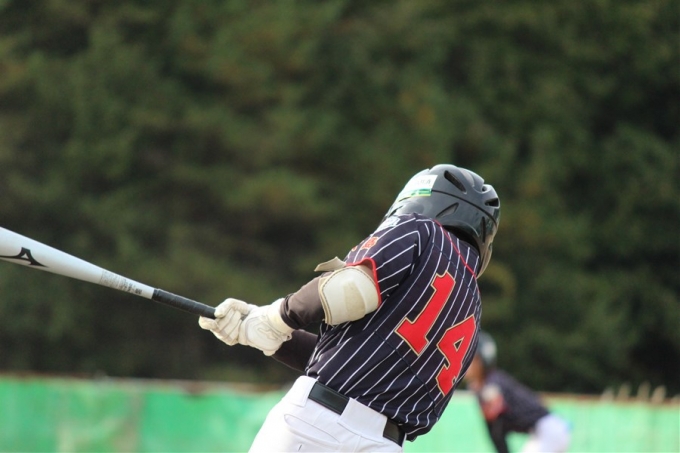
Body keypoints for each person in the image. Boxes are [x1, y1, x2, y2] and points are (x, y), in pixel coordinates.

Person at [199, 164, 501, 452]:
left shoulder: (422, 231)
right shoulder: (473, 307)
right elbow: (359, 364)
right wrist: (268, 335)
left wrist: (276, 317)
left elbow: (352, 290)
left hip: (315, 422)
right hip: (385, 444)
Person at [464, 331, 572, 453]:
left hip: (549, 431)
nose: (464, 363)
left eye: (471, 358)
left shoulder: (493, 383)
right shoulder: (484, 386)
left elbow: (495, 419)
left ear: (483, 359)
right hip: (544, 431)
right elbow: (496, 432)